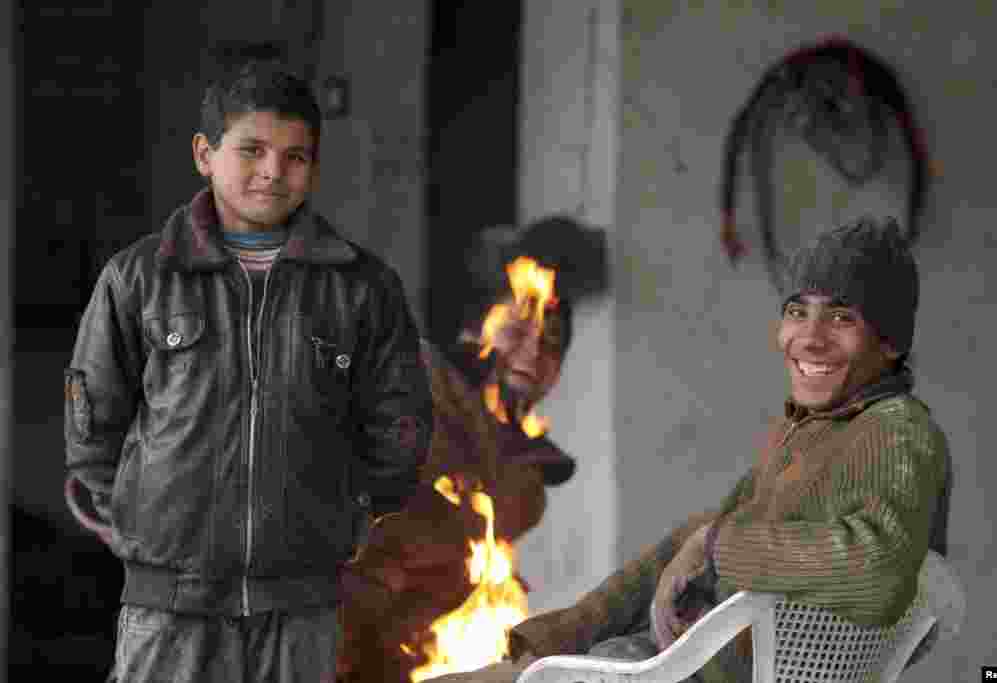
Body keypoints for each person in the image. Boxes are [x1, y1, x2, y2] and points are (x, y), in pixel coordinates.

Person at [431, 215, 951, 683]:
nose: (809, 338)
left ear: (890, 344)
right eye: (798, 311)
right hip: (671, 658)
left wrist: (717, 547)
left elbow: (879, 567)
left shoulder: (894, 431)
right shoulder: (817, 433)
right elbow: (702, 536)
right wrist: (553, 641)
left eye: (842, 318)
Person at [63, 60, 433, 683]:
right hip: (168, 606)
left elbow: (398, 423)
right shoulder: (138, 280)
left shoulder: (361, 288)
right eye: (252, 150)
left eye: (296, 157)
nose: (272, 172)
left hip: (302, 606)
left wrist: (349, 513)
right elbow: (93, 428)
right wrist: (142, 527)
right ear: (205, 155)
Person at [336, 215, 608, 682]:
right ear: (475, 327)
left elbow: (471, 567)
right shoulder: (412, 385)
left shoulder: (526, 482)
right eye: (518, 330)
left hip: (409, 652)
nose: (532, 354)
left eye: (552, 344)